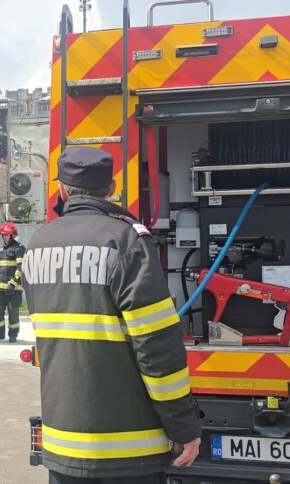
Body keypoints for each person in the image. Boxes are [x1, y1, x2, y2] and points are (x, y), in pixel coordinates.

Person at [22, 146, 201, 483]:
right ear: (111, 187)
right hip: (130, 451)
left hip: (63, 446)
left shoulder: (37, 244)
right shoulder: (125, 242)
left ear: (61, 189)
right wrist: (184, 427)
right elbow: (158, 348)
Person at [0, 222, 25, 343]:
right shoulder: (1, 249)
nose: (4, 237)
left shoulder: (19, 248)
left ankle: (13, 335)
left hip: (13, 290)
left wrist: (13, 284)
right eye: (3, 235)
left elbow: (20, 268)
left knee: (13, 315)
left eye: (6, 235)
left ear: (12, 235)